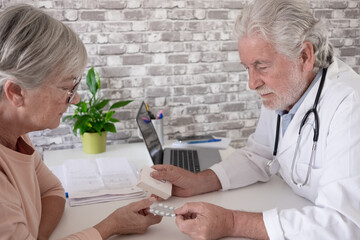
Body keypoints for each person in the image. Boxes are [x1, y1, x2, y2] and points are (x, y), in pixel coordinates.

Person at [151, 0, 360, 239]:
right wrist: (200, 181)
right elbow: (259, 154)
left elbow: (345, 224)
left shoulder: (350, 105)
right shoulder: (285, 91)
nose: (252, 83)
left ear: (304, 56)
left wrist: (232, 222)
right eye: (247, 68)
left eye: (261, 66)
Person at [0, 4, 161, 240]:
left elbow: (53, 191)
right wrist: (111, 225)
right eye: (67, 88)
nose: (75, 99)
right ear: (16, 92)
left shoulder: (17, 136)